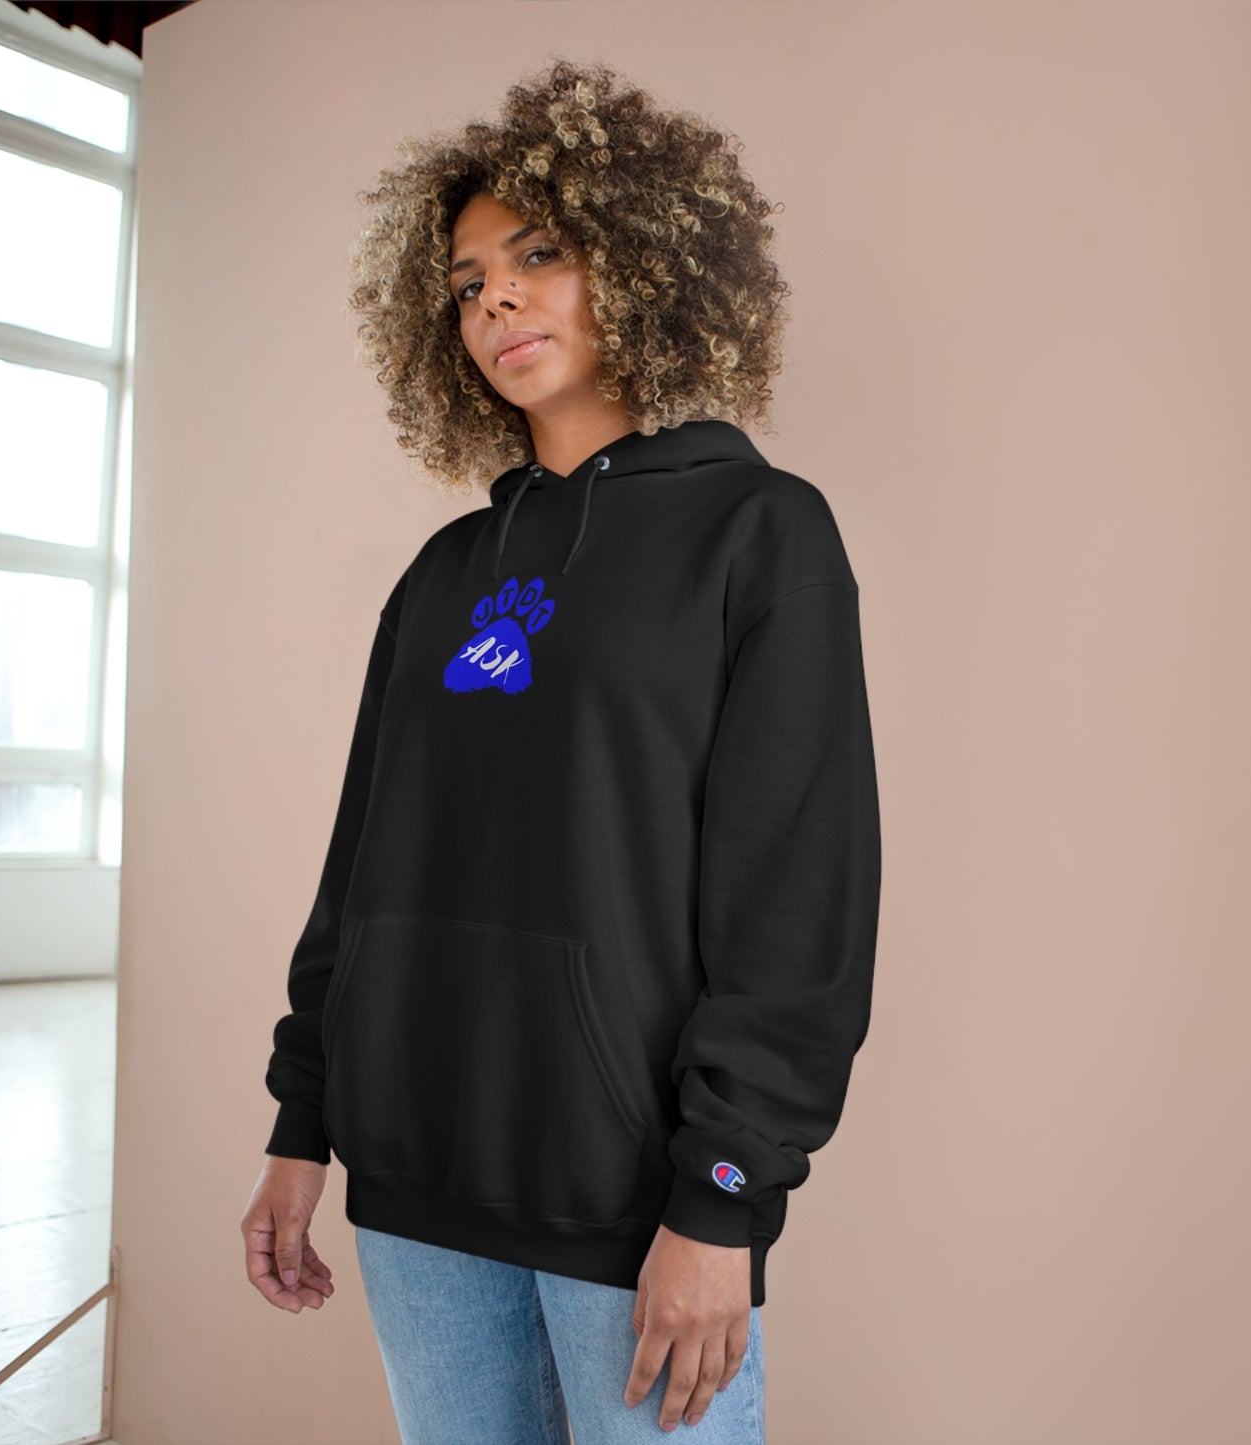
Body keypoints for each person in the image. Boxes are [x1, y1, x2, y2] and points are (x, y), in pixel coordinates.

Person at [239, 56, 882, 1443]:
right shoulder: (441, 573)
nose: (497, 301)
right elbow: (361, 866)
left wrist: (723, 1195)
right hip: (411, 1184)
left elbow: (796, 898)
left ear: (643, 262)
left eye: (537, 255)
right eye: (467, 281)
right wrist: (304, 1122)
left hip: (630, 1203)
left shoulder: (760, 534)